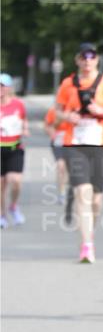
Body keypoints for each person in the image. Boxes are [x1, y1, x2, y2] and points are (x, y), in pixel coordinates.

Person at [55, 43, 103, 263]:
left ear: (97, 60)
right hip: (75, 143)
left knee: (96, 199)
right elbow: (56, 110)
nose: (87, 60)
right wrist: (67, 117)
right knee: (82, 192)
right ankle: (86, 245)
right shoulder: (67, 83)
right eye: (83, 57)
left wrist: (101, 111)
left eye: (91, 56)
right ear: (77, 60)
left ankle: (89, 232)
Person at [1, 73, 29, 228]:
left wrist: (25, 129)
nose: (0, 89)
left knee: (15, 181)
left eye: (3, 85)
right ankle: (2, 215)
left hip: (15, 148)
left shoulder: (18, 104)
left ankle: (13, 205)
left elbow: (23, 120)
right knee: (1, 185)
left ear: (9, 88)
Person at [43, 105, 69, 206]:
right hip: (58, 142)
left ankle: (70, 189)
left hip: (74, 141)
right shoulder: (54, 110)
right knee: (61, 166)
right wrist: (52, 134)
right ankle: (62, 193)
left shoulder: (77, 108)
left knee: (71, 168)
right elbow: (47, 126)